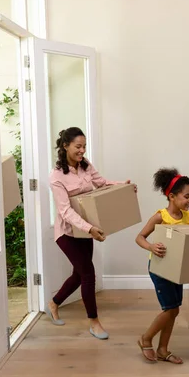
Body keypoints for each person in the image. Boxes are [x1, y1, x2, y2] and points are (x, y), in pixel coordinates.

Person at [47, 127, 136, 340]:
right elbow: (65, 211)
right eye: (78, 146)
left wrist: (123, 187)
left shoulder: (86, 166)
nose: (82, 151)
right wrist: (90, 228)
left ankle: (54, 302)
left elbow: (102, 184)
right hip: (68, 233)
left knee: (79, 274)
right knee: (88, 274)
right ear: (65, 146)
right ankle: (94, 322)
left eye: (84, 146)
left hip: (86, 230)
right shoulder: (56, 177)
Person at [135, 168, 189, 364]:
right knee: (170, 309)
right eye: (186, 196)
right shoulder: (160, 216)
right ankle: (146, 338)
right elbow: (139, 237)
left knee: (175, 309)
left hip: (176, 269)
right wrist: (151, 246)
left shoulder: (186, 217)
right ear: (172, 196)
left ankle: (163, 349)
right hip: (160, 268)